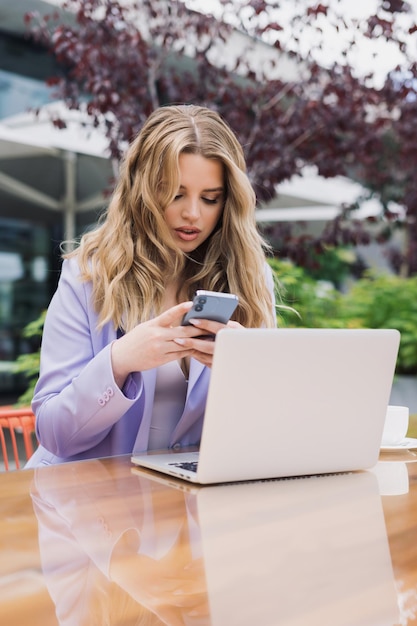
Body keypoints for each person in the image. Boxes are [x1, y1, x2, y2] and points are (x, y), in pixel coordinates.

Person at [26, 104, 276, 468]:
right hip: (82, 506)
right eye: (175, 193)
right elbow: (53, 432)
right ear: (143, 190)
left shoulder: (250, 279)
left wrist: (246, 370)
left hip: (187, 507)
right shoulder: (90, 274)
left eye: (210, 198)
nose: (193, 213)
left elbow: (266, 430)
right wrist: (120, 361)